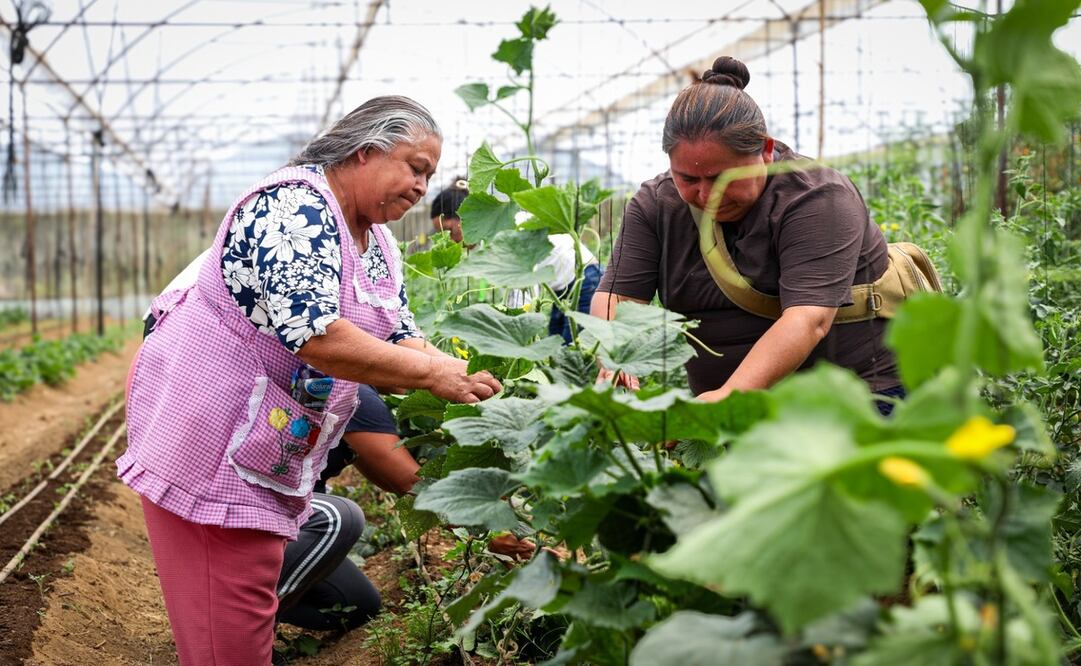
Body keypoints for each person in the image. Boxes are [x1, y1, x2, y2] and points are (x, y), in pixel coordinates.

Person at [119, 95, 502, 665]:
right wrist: (431, 372)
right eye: (415, 167)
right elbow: (316, 334)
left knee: (245, 599)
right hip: (211, 439)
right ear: (366, 151)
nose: (424, 186)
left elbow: (398, 334)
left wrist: (461, 375)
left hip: (267, 445)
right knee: (230, 622)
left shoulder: (376, 240)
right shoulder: (294, 206)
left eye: (430, 174)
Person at [591, 57, 902, 409]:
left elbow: (808, 318)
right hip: (723, 408)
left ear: (766, 152)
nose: (707, 196)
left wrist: (728, 395)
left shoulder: (816, 198)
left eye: (724, 178)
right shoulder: (656, 205)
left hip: (858, 396)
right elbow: (620, 298)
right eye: (689, 179)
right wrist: (614, 354)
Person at [430, 181, 604, 343]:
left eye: (448, 231)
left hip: (585, 282)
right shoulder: (493, 232)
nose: (450, 240)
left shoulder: (504, 230)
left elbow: (523, 287)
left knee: (574, 358)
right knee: (560, 356)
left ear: (463, 219)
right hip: (564, 290)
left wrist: (511, 338)